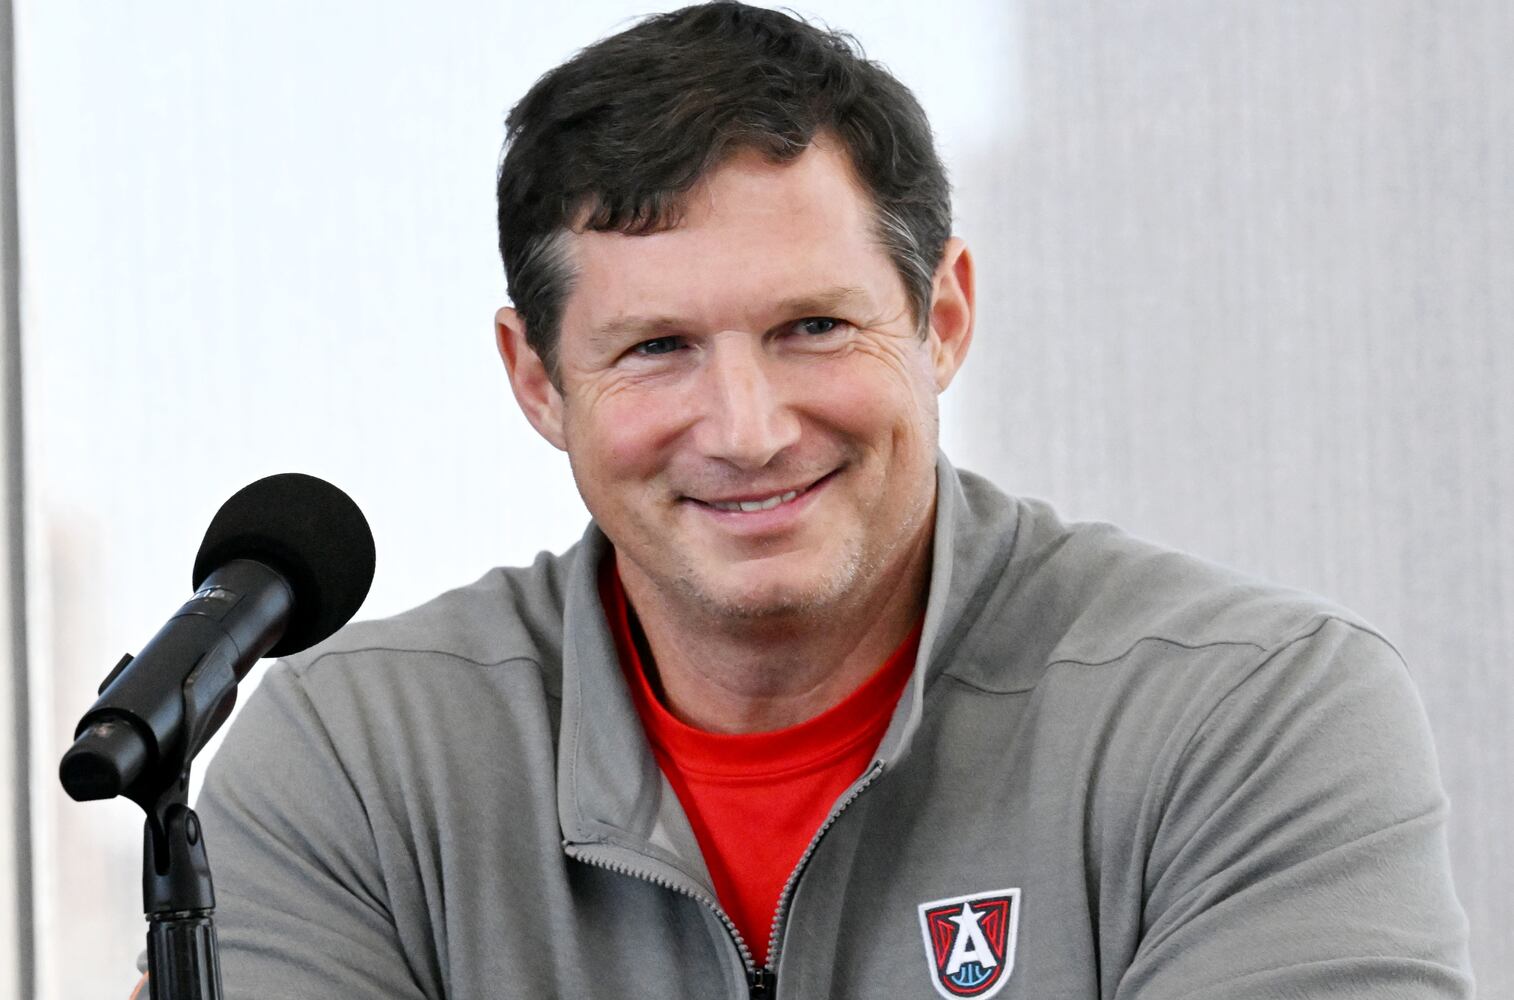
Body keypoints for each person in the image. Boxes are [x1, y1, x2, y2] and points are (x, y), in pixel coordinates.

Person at [158, 3, 1471, 998]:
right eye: (656, 348)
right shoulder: (357, 762)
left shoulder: (1250, 714)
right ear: (538, 380)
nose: (747, 430)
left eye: (813, 327)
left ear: (941, 318)